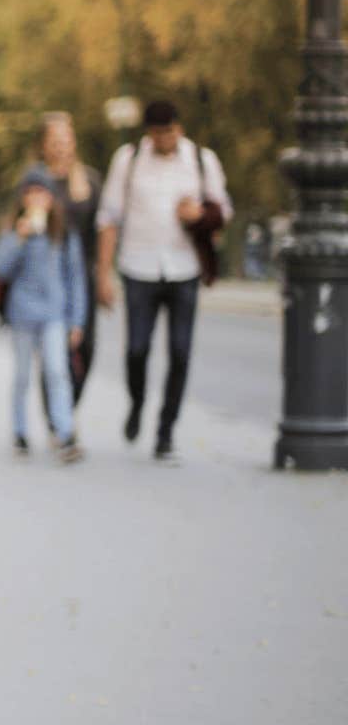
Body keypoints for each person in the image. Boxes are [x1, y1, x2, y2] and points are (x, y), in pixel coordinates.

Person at [96, 99, 232, 461]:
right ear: (148, 133)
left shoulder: (201, 160)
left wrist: (199, 213)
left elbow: (223, 209)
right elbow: (108, 217)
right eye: (157, 133)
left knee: (180, 351)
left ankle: (165, 430)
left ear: (179, 128)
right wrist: (103, 274)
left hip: (184, 268)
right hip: (138, 268)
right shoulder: (128, 161)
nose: (164, 138)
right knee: (136, 349)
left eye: (169, 131)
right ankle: (137, 402)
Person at [0, 169, 86, 463]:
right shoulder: (13, 231)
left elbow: (76, 279)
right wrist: (19, 238)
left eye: (42, 192)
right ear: (23, 198)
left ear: (51, 198)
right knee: (22, 376)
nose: (36, 198)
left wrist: (77, 320)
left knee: (57, 372)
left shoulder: (63, 233)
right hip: (22, 314)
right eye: (30, 192)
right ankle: (20, 431)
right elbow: (1, 268)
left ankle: (64, 432)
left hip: (54, 315)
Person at [28, 113, 103, 426]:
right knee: (53, 349)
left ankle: (66, 407)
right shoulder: (35, 181)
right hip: (47, 275)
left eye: (66, 141)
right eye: (54, 141)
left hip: (82, 275)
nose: (61, 147)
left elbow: (102, 230)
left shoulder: (89, 180)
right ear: (43, 145)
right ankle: (58, 418)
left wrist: (104, 274)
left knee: (85, 347)